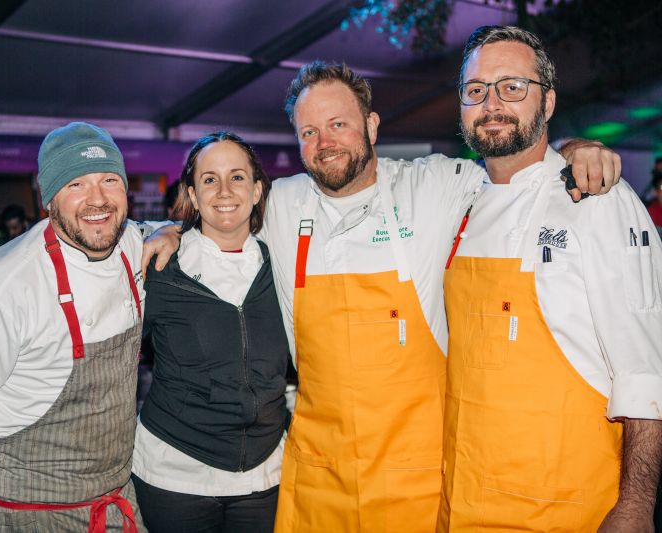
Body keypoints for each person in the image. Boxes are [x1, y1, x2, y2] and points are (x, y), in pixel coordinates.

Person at [144, 61, 619, 532]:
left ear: (371, 124)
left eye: (338, 125)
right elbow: (219, 216)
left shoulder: (433, 185)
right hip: (316, 480)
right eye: (308, 132)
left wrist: (573, 150)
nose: (324, 143)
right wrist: (170, 232)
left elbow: (516, 168)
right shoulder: (283, 202)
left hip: (413, 483)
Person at [439, 26, 662, 532]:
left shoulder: (599, 200)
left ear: (549, 100)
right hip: (464, 504)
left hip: (567, 508)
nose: (492, 103)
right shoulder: (458, 200)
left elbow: (646, 369)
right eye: (476, 90)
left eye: (512, 87)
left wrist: (636, 506)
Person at [0, 122, 147, 532]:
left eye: (110, 180)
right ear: (48, 198)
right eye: (76, 184)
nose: (98, 199)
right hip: (25, 512)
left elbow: (166, 228)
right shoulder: (1, 285)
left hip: (112, 502)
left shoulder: (132, 245)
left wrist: (172, 233)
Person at [131, 132, 289, 533]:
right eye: (209, 179)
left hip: (264, 474)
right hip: (177, 472)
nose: (223, 191)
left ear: (256, 191)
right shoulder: (161, 265)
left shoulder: (283, 264)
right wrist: (167, 229)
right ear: (193, 193)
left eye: (237, 177)